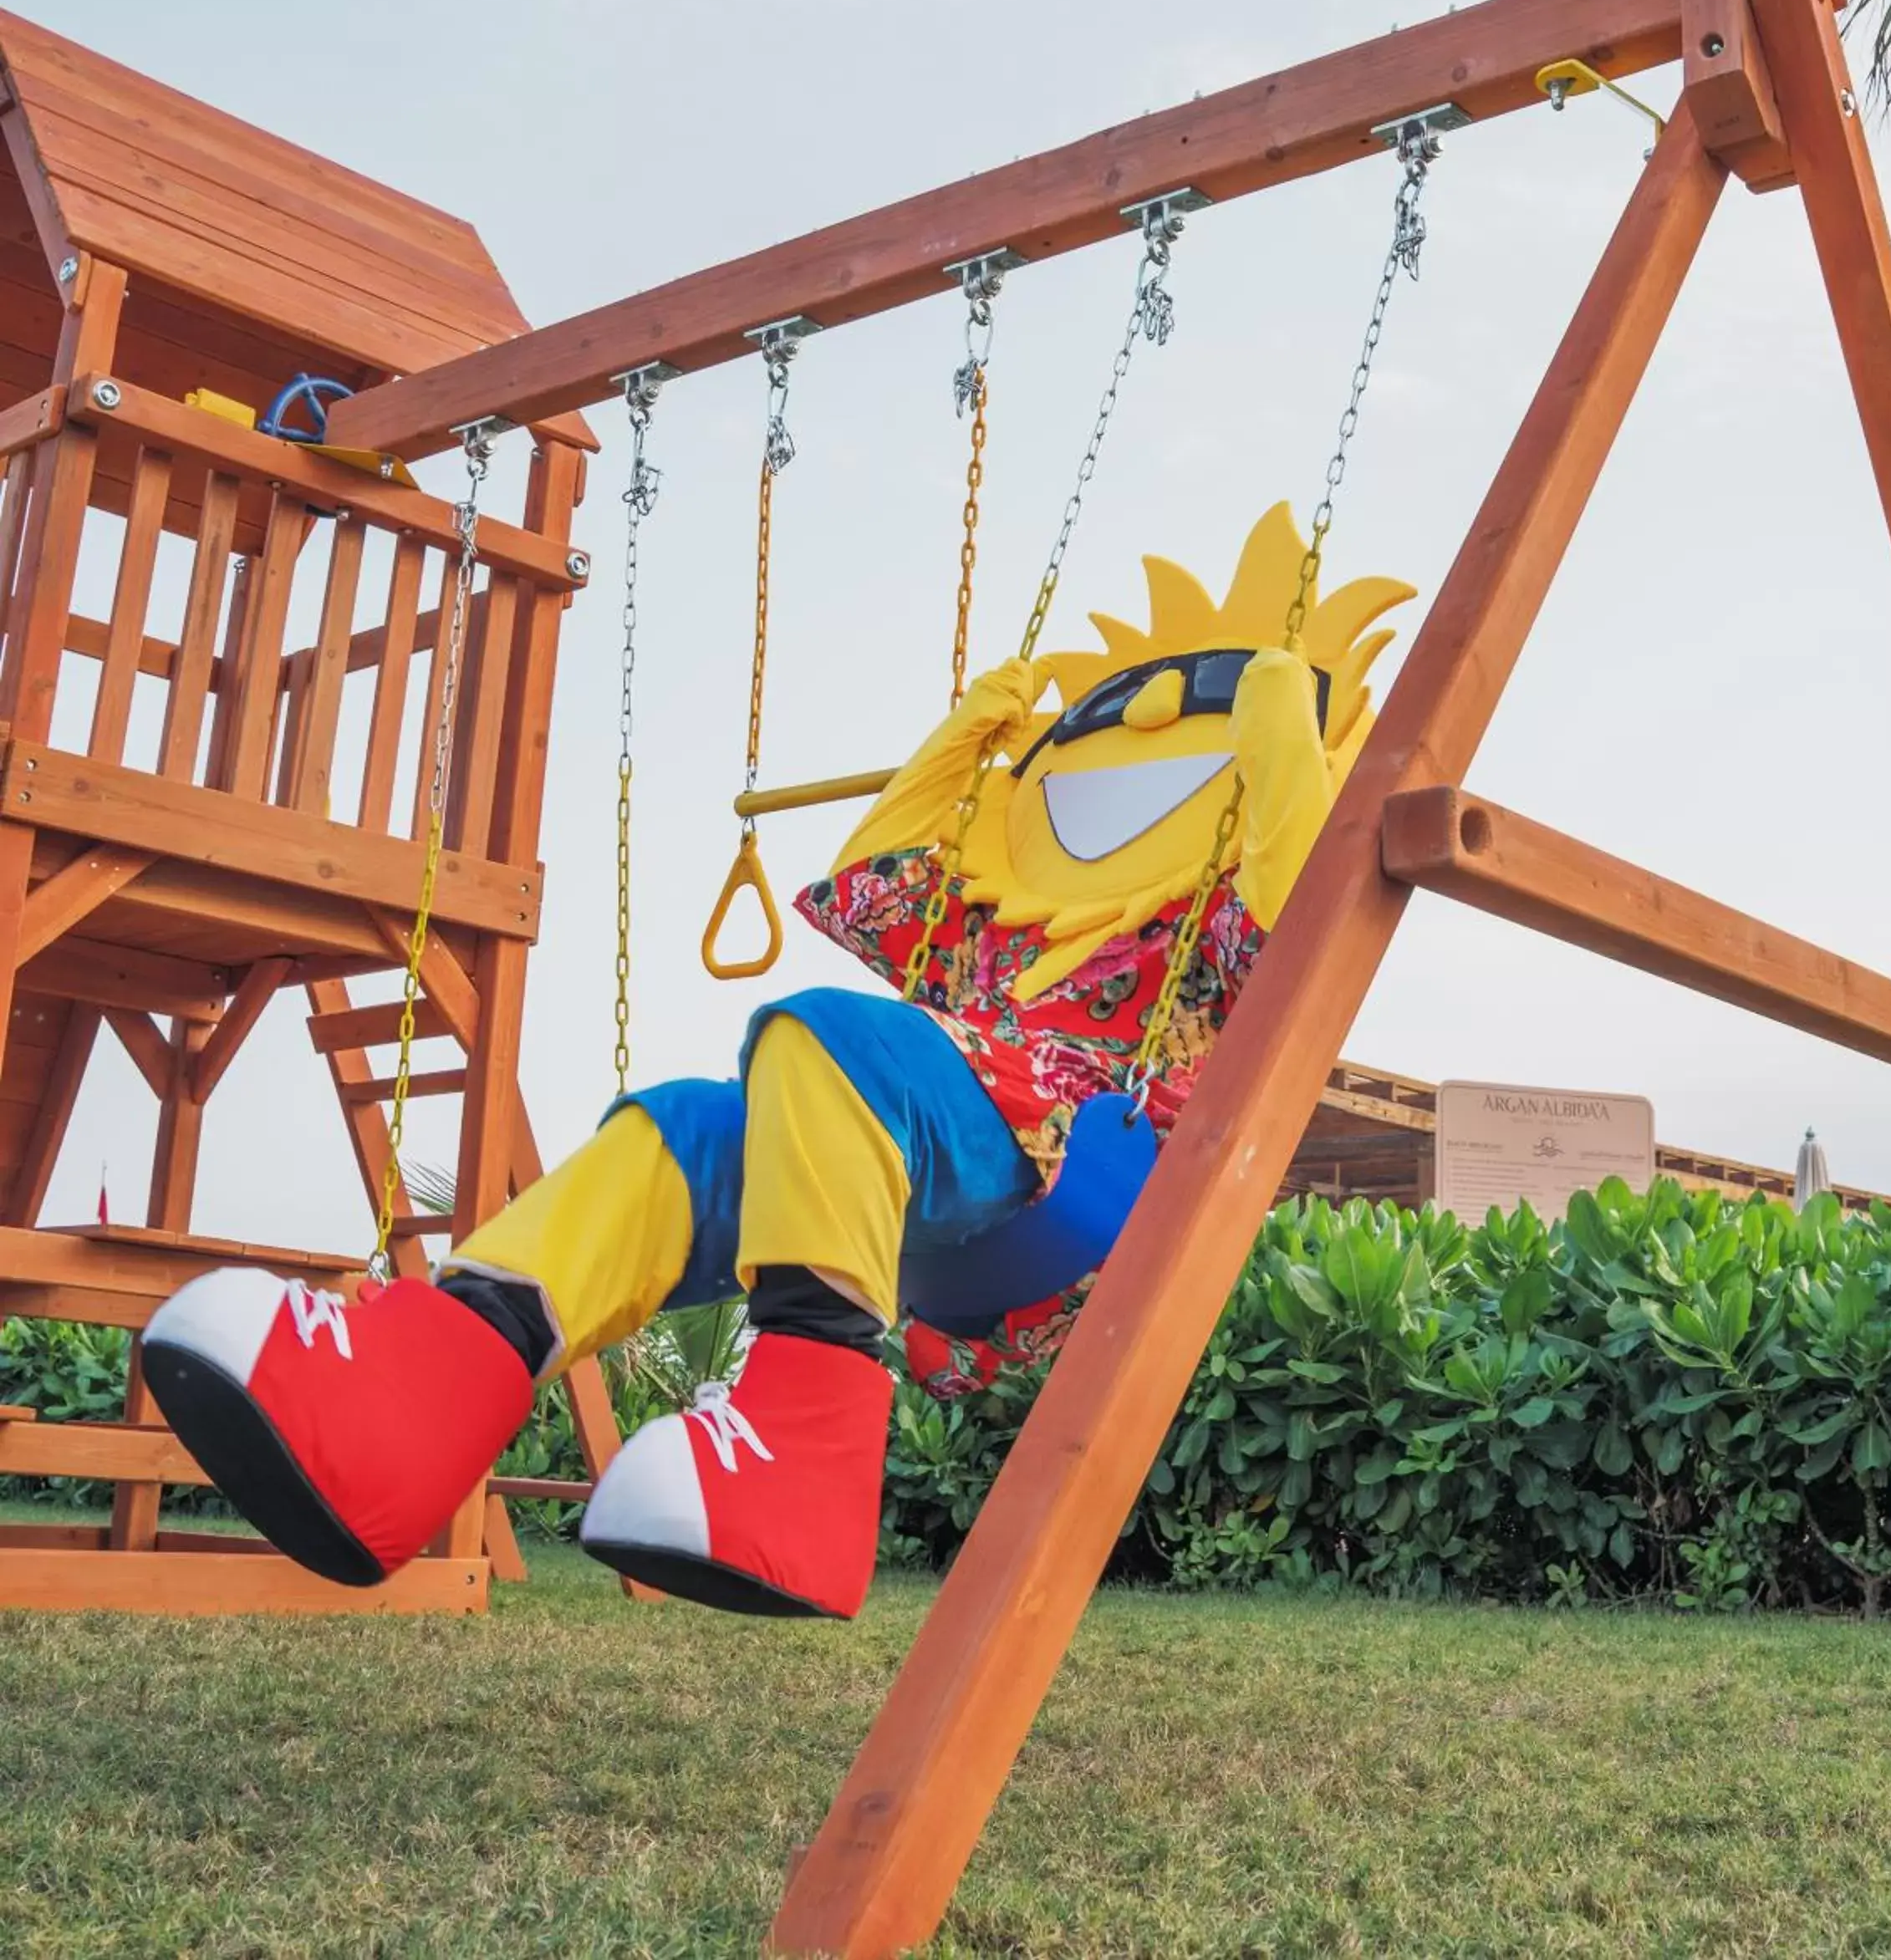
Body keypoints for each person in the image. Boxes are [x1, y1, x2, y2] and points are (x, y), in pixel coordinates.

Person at [140, 506, 1409, 1618]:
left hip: (1082, 1183)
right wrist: (966, 747)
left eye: (1187, 723)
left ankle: (805, 1454)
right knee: (686, 1125)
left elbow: (1310, 932)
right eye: (1098, 726)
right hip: (907, 1182)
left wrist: (1286, 740)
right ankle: (412, 1406)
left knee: (825, 1040)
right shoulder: (980, 938)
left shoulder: (1212, 933)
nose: (1127, 746)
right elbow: (878, 884)